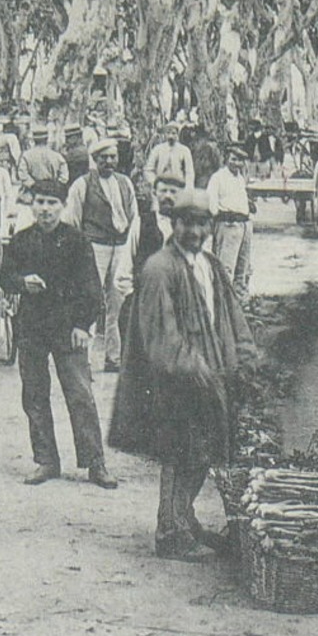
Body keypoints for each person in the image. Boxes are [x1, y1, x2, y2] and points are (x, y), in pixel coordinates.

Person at [108, 188, 253, 561]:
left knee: (205, 451)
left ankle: (186, 520)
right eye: (187, 222)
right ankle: (169, 531)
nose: (195, 230)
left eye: (202, 223)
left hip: (212, 371)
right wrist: (195, 369)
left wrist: (245, 355)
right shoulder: (159, 268)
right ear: (174, 224)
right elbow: (161, 335)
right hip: (176, 379)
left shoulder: (210, 265)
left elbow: (231, 313)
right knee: (178, 453)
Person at [0, 178, 118, 489]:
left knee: (80, 395)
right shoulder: (22, 240)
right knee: (35, 395)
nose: (45, 209)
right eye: (39, 202)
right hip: (32, 329)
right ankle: (46, 460)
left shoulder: (77, 242)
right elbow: (5, 276)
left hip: (68, 330)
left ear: (63, 206)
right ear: (32, 205)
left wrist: (82, 325)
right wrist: (22, 282)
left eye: (52, 203)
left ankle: (95, 463)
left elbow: (92, 289)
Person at [63, 138, 139, 372]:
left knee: (117, 302)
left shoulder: (125, 183)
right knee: (91, 301)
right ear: (95, 160)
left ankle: (113, 357)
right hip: (94, 248)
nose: (109, 162)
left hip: (121, 247)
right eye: (104, 158)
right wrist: (78, 251)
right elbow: (71, 221)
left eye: (113, 157)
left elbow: (134, 216)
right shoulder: (82, 185)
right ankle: (82, 359)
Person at [205, 144, 253, 299]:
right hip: (228, 224)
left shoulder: (240, 178)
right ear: (227, 159)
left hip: (244, 225)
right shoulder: (218, 178)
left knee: (243, 267)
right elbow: (211, 203)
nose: (236, 163)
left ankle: (240, 299)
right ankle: (222, 300)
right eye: (233, 159)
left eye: (239, 161)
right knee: (226, 267)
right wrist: (217, 220)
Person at [17, 121, 68, 199]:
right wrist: (56, 185)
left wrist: (33, 185)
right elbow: (64, 176)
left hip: (33, 191)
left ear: (33, 139)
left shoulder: (26, 155)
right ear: (47, 139)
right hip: (53, 191)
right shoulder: (56, 156)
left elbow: (22, 174)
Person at [143, 122, 195, 189]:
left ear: (177, 135)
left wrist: (188, 188)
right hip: (161, 185)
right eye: (168, 133)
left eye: (173, 133)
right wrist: (155, 183)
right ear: (165, 134)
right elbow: (148, 169)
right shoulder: (157, 149)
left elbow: (189, 172)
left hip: (178, 186)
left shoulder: (184, 150)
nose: (171, 136)